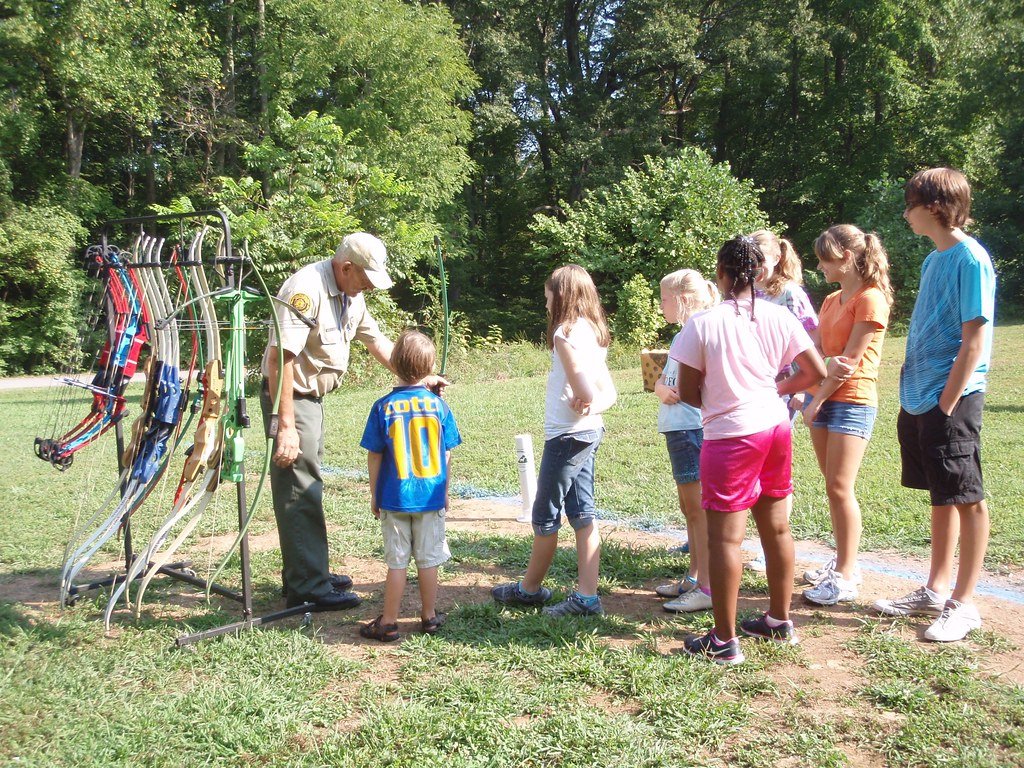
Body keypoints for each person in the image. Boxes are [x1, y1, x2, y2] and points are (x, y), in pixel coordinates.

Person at [261, 232, 445, 611]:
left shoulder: (350, 295)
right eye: (365, 279)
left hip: (312, 398)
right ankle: (308, 586)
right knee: (300, 487)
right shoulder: (306, 288)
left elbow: (377, 342)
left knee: (308, 483)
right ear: (346, 268)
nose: (368, 288)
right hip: (292, 397)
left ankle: (310, 572)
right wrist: (287, 426)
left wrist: (417, 378)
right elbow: (281, 361)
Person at [672, 236, 826, 664]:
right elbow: (816, 372)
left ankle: (723, 642)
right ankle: (779, 621)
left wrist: (724, 402)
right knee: (777, 528)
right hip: (775, 427)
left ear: (721, 274)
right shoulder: (779, 317)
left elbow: (686, 390)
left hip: (731, 436)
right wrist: (773, 389)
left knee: (725, 538)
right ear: (760, 273)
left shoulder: (701, 324)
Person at [873, 168, 996, 642]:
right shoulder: (933, 260)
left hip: (952, 398)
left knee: (967, 495)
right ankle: (935, 589)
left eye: (910, 204)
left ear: (935, 207)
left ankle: (963, 604)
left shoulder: (971, 258)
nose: (905, 213)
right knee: (941, 493)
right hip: (920, 395)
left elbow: (974, 339)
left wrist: (947, 402)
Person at [492, 264, 617, 617]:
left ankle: (529, 590)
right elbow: (609, 393)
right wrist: (591, 401)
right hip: (589, 431)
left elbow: (586, 388)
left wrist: (583, 396)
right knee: (582, 513)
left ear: (560, 295)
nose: (545, 303)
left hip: (567, 436)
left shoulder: (565, 333)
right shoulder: (592, 330)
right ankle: (587, 598)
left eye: (547, 295)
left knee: (545, 515)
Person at [801, 225, 892, 606]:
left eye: (824, 257)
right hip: (823, 398)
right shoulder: (831, 300)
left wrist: (816, 400)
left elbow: (849, 364)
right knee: (832, 486)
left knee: (840, 487)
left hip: (851, 401)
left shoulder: (871, 299)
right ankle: (841, 561)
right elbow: (817, 351)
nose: (819, 265)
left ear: (846, 257)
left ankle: (847, 575)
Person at [358, 330, 462, 642]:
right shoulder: (438, 406)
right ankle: (429, 617)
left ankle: (389, 622)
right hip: (430, 498)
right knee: (428, 560)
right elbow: (446, 453)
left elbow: (374, 456)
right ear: (429, 367)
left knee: (397, 562)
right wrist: (444, 492)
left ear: (394, 362)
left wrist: (375, 493)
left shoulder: (383, 407)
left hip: (394, 498)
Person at [743, 229, 820, 573]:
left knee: (772, 474)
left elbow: (812, 342)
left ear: (776, 257)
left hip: (783, 393)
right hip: (751, 391)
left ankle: (769, 548)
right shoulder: (746, 294)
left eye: (761, 259)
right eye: (751, 260)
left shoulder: (790, 294)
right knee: (753, 470)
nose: (756, 266)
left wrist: (798, 389)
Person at [651, 270, 719, 613]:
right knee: (688, 509)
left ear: (682, 299)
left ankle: (706, 586)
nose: (660, 305)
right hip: (678, 430)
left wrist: (673, 391)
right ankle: (694, 578)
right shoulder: (682, 335)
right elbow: (662, 382)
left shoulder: (703, 327)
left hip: (693, 429)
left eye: (664, 299)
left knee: (698, 511)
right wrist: (662, 389)